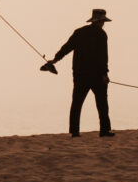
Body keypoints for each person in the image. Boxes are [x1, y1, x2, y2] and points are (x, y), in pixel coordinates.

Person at [41, 8, 114, 137]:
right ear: (100, 21)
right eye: (103, 21)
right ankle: (104, 130)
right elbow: (103, 56)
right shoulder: (101, 34)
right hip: (97, 75)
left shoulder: (79, 32)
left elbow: (66, 48)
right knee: (102, 103)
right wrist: (105, 74)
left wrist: (55, 60)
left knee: (77, 102)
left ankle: (74, 131)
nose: (103, 24)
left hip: (80, 74)